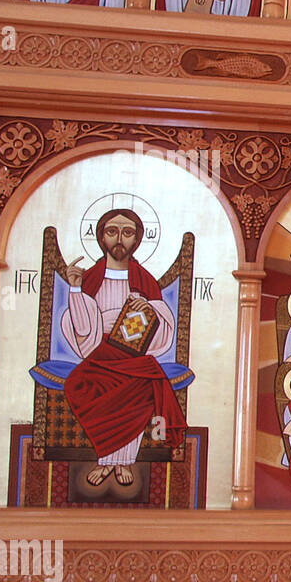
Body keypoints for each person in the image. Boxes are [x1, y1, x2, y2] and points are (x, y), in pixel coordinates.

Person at [60, 208, 187, 487]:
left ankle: (122, 463)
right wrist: (75, 289)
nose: (119, 239)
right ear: (101, 237)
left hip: (135, 352)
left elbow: (163, 321)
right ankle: (106, 459)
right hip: (100, 352)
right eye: (112, 231)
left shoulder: (144, 279)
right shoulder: (91, 277)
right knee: (77, 385)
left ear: (137, 239)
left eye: (127, 232)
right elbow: (82, 329)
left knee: (140, 389)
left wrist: (150, 308)